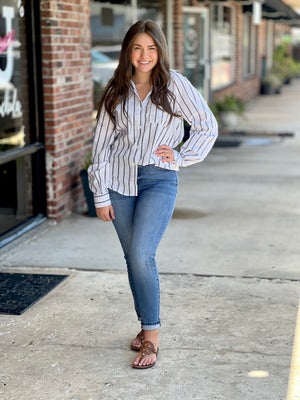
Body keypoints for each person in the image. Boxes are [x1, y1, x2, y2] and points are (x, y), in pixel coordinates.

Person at [88, 20, 218, 369]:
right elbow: (101, 146)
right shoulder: (116, 89)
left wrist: (181, 156)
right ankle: (145, 322)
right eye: (137, 48)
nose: (144, 55)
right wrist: (100, 194)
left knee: (143, 253)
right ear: (128, 52)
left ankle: (152, 336)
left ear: (160, 51)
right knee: (133, 257)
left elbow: (207, 126)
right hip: (118, 181)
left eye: (151, 48)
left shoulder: (175, 85)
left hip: (159, 179)